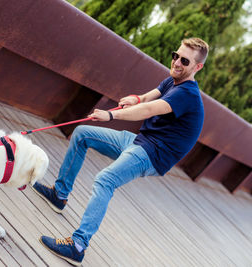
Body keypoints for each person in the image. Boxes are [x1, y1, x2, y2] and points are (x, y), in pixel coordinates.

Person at [32, 37, 209, 266]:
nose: (176, 62)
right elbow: (146, 98)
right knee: (83, 134)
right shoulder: (172, 81)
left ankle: (77, 246)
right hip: (140, 141)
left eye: (184, 60)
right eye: (175, 55)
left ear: (197, 67)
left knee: (105, 180)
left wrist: (110, 116)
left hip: (151, 155)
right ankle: (59, 194)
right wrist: (135, 98)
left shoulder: (187, 94)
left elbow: (147, 109)